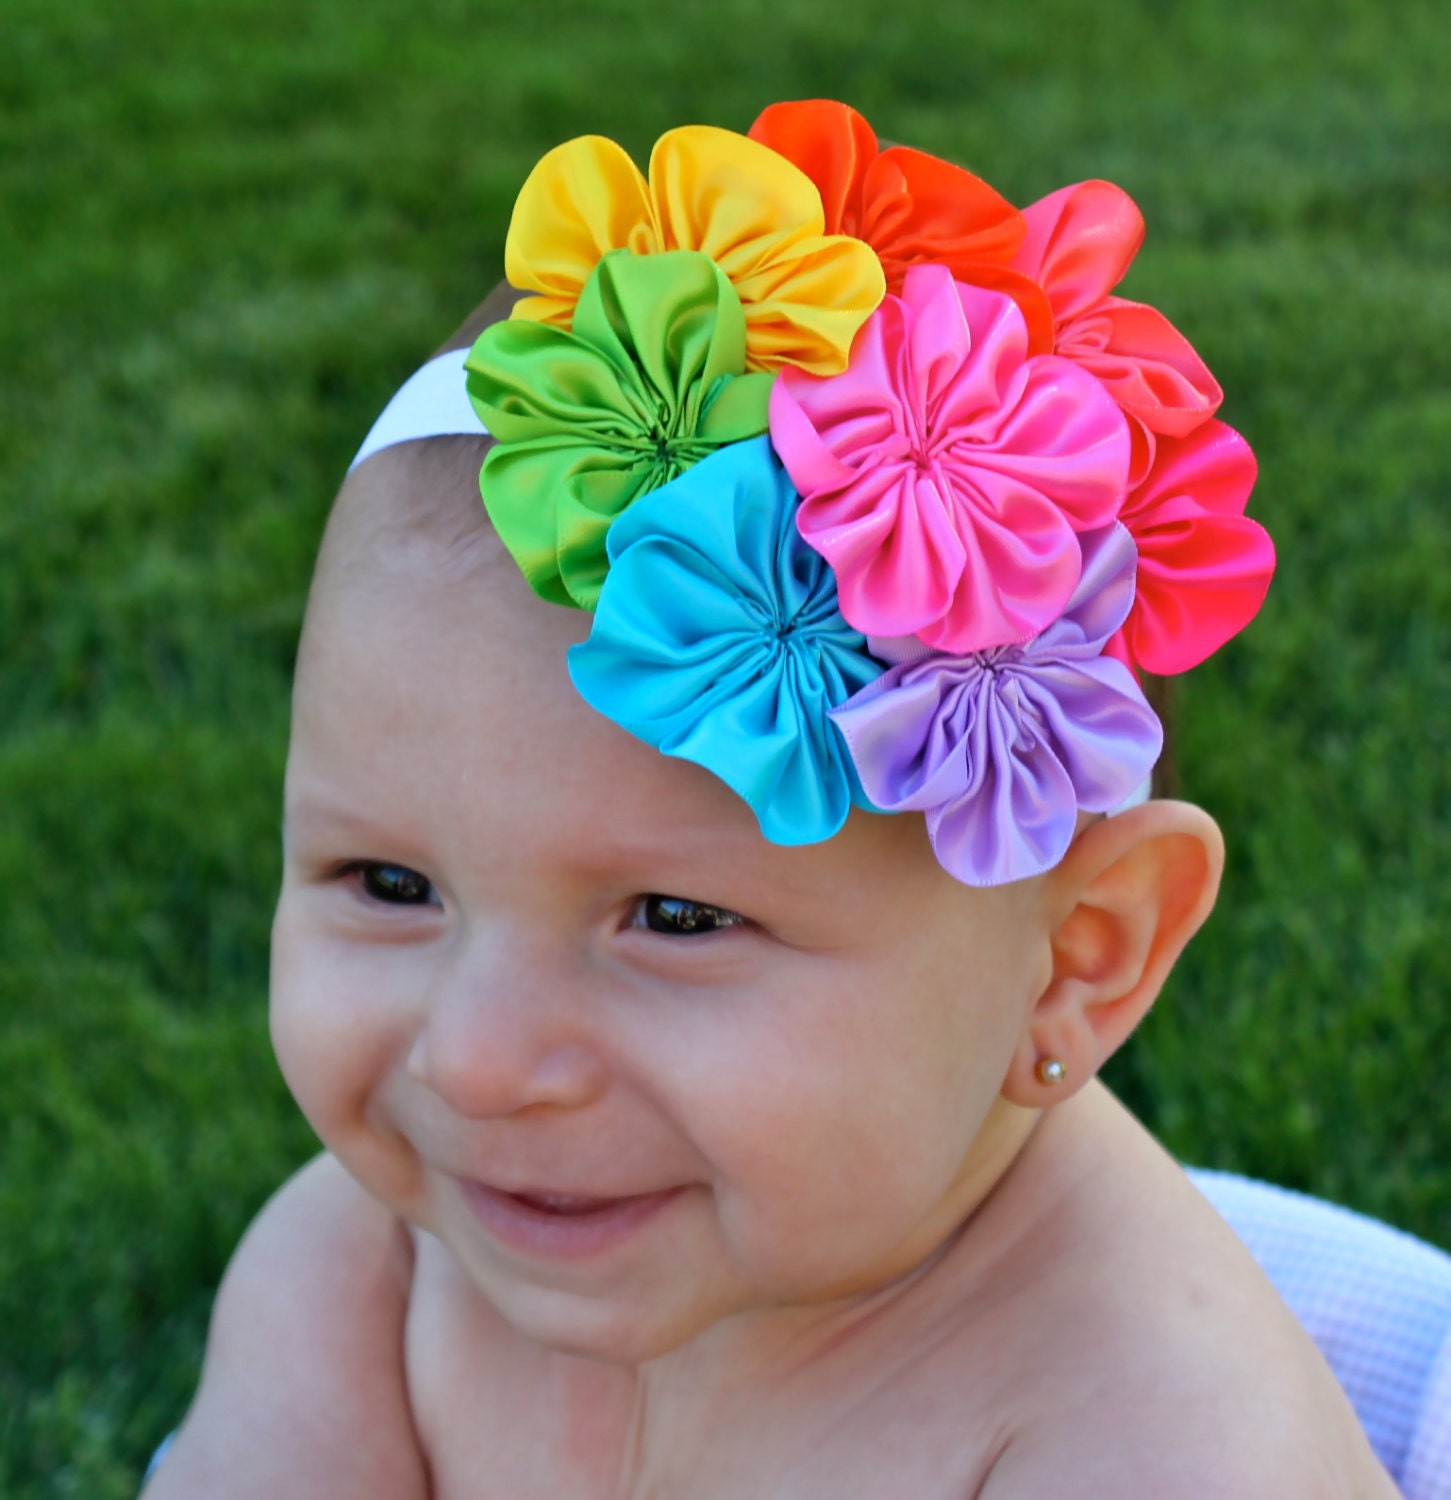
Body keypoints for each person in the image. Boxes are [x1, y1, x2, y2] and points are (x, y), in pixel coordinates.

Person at [141, 101, 1397, 1497]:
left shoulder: (1153, 1434)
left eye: (674, 916)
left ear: (1075, 960)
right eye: (388, 886)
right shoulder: (364, 1274)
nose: (479, 1061)